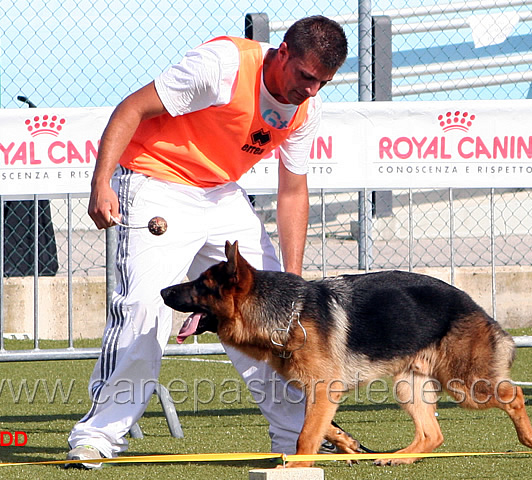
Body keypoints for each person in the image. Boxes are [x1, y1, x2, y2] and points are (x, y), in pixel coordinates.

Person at [65, 15, 348, 469]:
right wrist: (102, 181)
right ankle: (98, 436)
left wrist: (291, 281)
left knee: (272, 313)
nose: (311, 90)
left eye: (324, 83)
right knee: (144, 310)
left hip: (220, 193)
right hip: (156, 180)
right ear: (282, 55)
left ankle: (297, 433)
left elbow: (293, 190)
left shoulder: (306, 109)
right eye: (306, 77)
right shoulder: (221, 66)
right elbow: (130, 109)